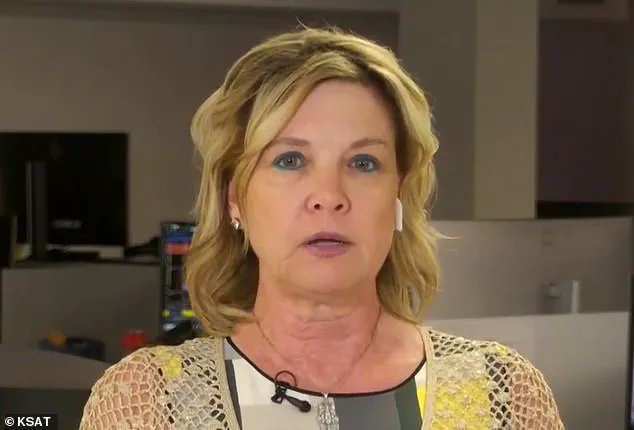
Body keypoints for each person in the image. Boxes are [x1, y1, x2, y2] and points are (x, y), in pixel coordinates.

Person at [80, 26, 563, 429]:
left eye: (363, 163)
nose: (329, 196)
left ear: (399, 195)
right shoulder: (150, 401)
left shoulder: (500, 392)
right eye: (290, 160)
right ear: (234, 199)